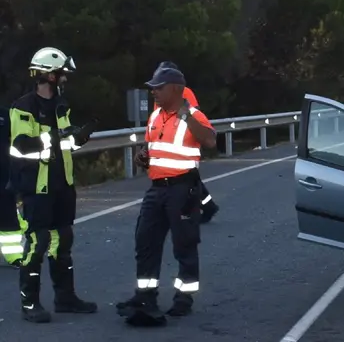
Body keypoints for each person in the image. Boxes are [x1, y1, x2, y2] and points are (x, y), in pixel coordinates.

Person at [116, 67, 216, 326]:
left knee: (184, 244)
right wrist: (142, 158)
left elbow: (210, 141)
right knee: (145, 241)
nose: (154, 92)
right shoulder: (155, 116)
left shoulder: (193, 115)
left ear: (174, 88)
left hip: (183, 189)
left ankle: (184, 299)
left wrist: (186, 117)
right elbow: (150, 148)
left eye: (158, 88)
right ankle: (145, 295)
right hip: (157, 188)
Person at [8, 47, 97, 323]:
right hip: (37, 188)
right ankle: (30, 303)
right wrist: (56, 137)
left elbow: (64, 143)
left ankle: (65, 298)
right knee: (37, 242)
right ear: (48, 75)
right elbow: (21, 147)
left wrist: (77, 138)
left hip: (62, 186)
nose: (65, 79)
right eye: (61, 74)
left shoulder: (61, 105)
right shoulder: (24, 107)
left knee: (63, 240)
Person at [151, 61, 219, 224]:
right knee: (189, 181)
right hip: (169, 146)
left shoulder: (184, 92)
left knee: (188, 181)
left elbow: (193, 114)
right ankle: (207, 206)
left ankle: (202, 207)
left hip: (183, 144)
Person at [0, 105, 25, 268]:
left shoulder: (5, 115)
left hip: (3, 176)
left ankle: (14, 256)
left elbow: (17, 140)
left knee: (8, 217)